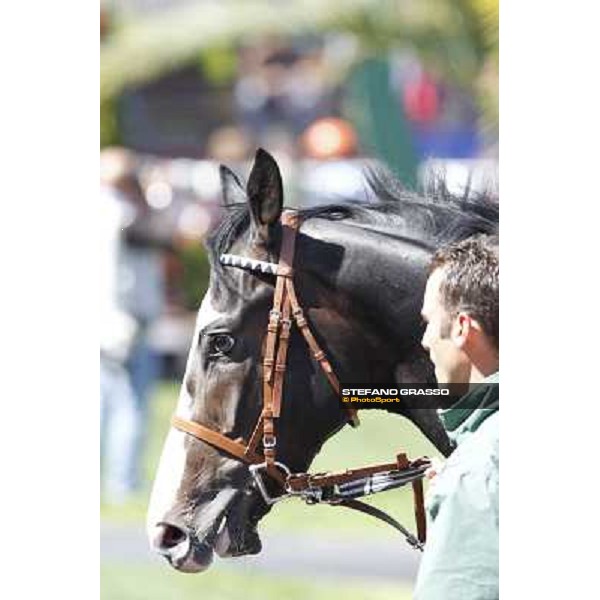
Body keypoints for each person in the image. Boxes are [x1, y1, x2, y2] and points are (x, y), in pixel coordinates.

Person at [414, 234, 499, 600]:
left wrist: (464, 496)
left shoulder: (477, 474)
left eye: (430, 321)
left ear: (462, 328)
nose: (425, 340)